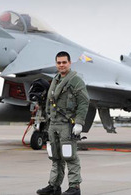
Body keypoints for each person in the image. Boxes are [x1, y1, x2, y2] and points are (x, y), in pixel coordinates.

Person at [37, 51, 89, 195]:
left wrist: (79, 123)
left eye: (64, 62)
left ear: (69, 63)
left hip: (67, 125)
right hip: (53, 124)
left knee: (70, 156)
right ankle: (54, 186)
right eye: (59, 63)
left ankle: (74, 187)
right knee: (55, 156)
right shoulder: (55, 79)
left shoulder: (76, 80)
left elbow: (84, 103)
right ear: (56, 64)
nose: (61, 65)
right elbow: (49, 101)